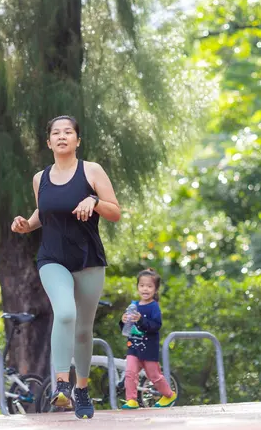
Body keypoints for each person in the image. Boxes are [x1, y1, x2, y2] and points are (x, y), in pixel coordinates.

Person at [11, 115, 121, 419]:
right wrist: (26, 225)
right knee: (66, 313)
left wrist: (95, 202)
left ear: (77, 140)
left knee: (84, 330)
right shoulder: (40, 178)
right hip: (52, 258)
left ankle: (82, 389)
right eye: (56, 133)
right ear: (48, 142)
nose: (62, 136)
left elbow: (115, 212)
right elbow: (42, 213)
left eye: (68, 132)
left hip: (88, 259)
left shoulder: (91, 171)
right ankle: (61, 385)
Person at [119, 268, 177, 409]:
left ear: (155, 290)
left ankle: (169, 395)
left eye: (150, 286)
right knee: (130, 373)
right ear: (138, 287)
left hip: (149, 349)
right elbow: (126, 329)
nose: (145, 289)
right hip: (134, 348)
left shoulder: (153, 307)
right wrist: (123, 320)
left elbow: (156, 326)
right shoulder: (134, 306)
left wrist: (140, 320)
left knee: (154, 376)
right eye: (142, 285)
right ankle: (131, 400)